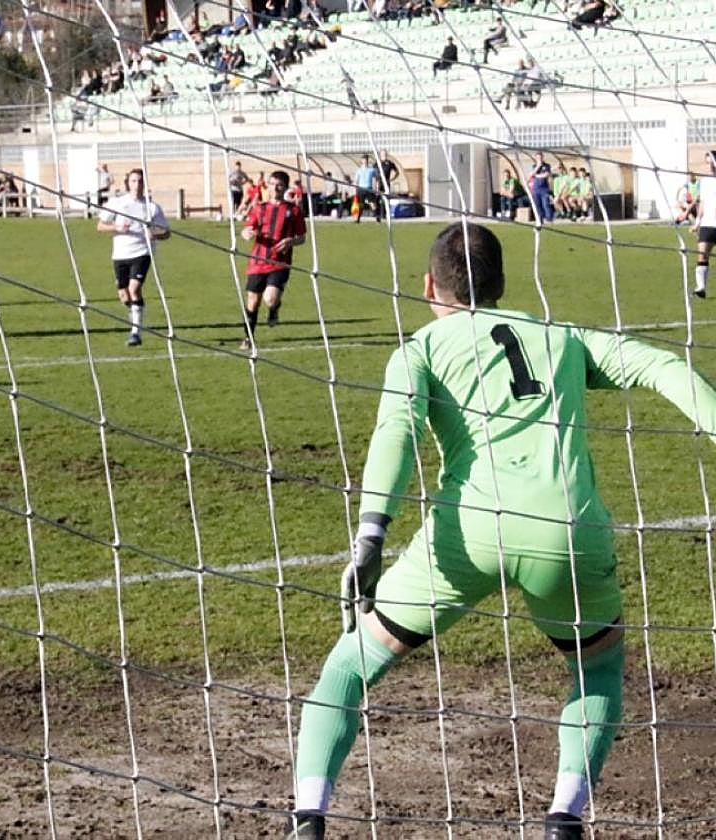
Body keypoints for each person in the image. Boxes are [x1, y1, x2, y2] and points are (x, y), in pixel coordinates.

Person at [286, 222, 716, 840]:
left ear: (428, 285)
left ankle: (309, 816)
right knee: (596, 667)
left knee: (349, 668)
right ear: (504, 282)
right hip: (566, 534)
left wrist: (372, 534)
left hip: (467, 537)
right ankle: (564, 819)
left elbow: (396, 432)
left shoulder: (420, 350)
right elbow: (663, 366)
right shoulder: (562, 338)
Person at [96, 168, 171, 347]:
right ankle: (135, 311)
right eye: (133, 181)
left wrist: (155, 235)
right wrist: (117, 228)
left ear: (145, 184)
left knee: (134, 288)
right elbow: (100, 226)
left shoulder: (152, 207)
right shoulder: (117, 203)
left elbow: (167, 232)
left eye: (140, 181)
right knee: (124, 295)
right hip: (120, 254)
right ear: (128, 184)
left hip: (142, 253)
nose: (137, 185)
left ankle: (135, 333)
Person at [239, 170, 306, 350]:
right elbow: (247, 229)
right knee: (253, 302)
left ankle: (274, 308)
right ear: (267, 186)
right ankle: (248, 338)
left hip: (279, 263)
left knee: (269, 299)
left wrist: (291, 241)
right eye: (272, 184)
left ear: (285, 187)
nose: (275, 188)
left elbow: (302, 238)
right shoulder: (259, 208)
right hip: (257, 262)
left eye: (279, 185)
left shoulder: (293, 210)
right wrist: (246, 233)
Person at [690, 150, 716, 298]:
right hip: (708, 224)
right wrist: (697, 223)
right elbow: (703, 204)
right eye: (707, 163)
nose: (710, 166)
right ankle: (701, 288)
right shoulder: (704, 182)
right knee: (702, 256)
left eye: (712, 162)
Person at [353, 154, 382, 223]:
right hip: (361, 189)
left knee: (373, 204)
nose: (365, 161)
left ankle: (377, 218)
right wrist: (355, 190)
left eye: (366, 160)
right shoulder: (359, 170)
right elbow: (356, 181)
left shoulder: (372, 170)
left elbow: (377, 179)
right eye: (363, 160)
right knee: (361, 205)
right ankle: (358, 219)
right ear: (361, 161)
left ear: (368, 161)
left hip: (369, 189)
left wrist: (377, 188)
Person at [529, 151, 555, 223]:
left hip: (544, 188)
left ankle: (549, 218)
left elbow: (546, 175)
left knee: (546, 204)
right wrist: (538, 166)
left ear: (543, 158)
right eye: (538, 158)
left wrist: (536, 176)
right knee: (537, 205)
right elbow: (531, 174)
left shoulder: (547, 166)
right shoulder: (534, 166)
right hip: (536, 189)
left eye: (540, 157)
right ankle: (540, 218)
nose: (539, 159)